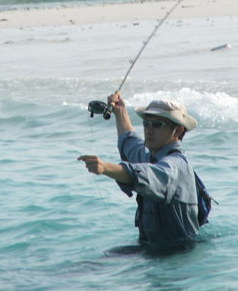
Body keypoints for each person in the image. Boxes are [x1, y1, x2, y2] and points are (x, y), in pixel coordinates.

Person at [78, 91, 200, 246]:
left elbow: (146, 175)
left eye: (157, 125)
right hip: (151, 250)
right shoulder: (150, 157)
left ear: (178, 130)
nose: (149, 130)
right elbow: (130, 142)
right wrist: (120, 111)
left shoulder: (176, 165)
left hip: (176, 254)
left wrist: (105, 168)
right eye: (146, 124)